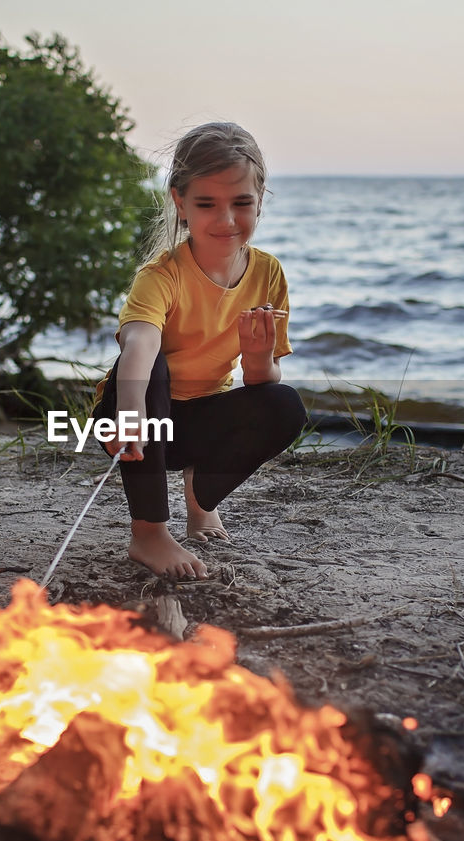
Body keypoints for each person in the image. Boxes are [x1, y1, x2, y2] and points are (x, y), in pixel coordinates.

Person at [93, 122, 307, 580]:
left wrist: (256, 358)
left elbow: (261, 386)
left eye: (241, 204)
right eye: (207, 204)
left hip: (198, 423)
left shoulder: (268, 273)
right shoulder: (163, 274)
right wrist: (129, 412)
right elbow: (139, 344)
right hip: (137, 419)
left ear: (260, 201)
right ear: (180, 203)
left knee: (285, 404)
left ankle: (201, 497)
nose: (226, 220)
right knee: (154, 367)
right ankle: (148, 532)